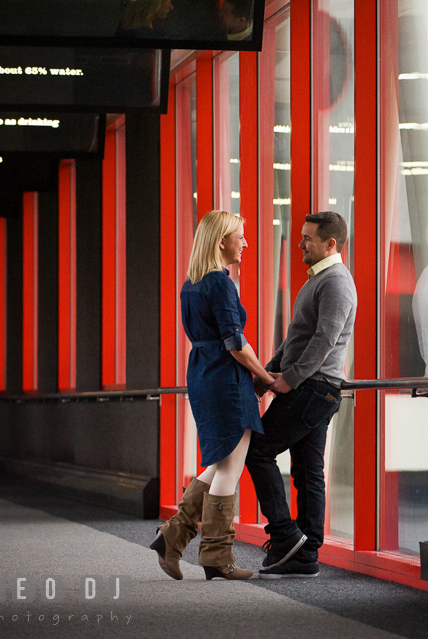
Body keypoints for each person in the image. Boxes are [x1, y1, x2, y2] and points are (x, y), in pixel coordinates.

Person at [150, 210, 275, 581]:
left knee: (220, 462)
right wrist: (265, 376)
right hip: (226, 378)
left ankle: (173, 537)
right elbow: (235, 343)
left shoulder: (191, 282)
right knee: (230, 468)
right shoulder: (221, 284)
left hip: (204, 373)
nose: (246, 243)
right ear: (222, 241)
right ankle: (217, 557)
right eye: (240, 236)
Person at [246, 211, 357, 579]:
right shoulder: (318, 280)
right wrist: (267, 373)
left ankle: (285, 537)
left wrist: (289, 380)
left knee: (257, 449)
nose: (300, 244)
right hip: (311, 388)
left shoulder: (337, 282)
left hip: (314, 388)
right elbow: (296, 337)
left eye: (307, 238)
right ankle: (305, 554)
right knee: (308, 471)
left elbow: (324, 341)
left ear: (330, 244)